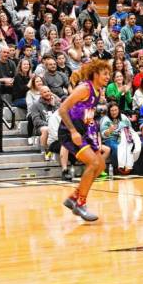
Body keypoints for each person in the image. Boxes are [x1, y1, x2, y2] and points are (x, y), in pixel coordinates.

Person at [59, 59, 111, 222]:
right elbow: (62, 109)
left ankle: (73, 197)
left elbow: (86, 115)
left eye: (109, 74)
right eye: (105, 73)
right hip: (69, 131)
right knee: (94, 164)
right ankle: (80, 203)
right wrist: (73, 131)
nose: (108, 77)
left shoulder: (98, 91)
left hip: (84, 131)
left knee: (101, 164)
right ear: (95, 74)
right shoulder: (84, 88)